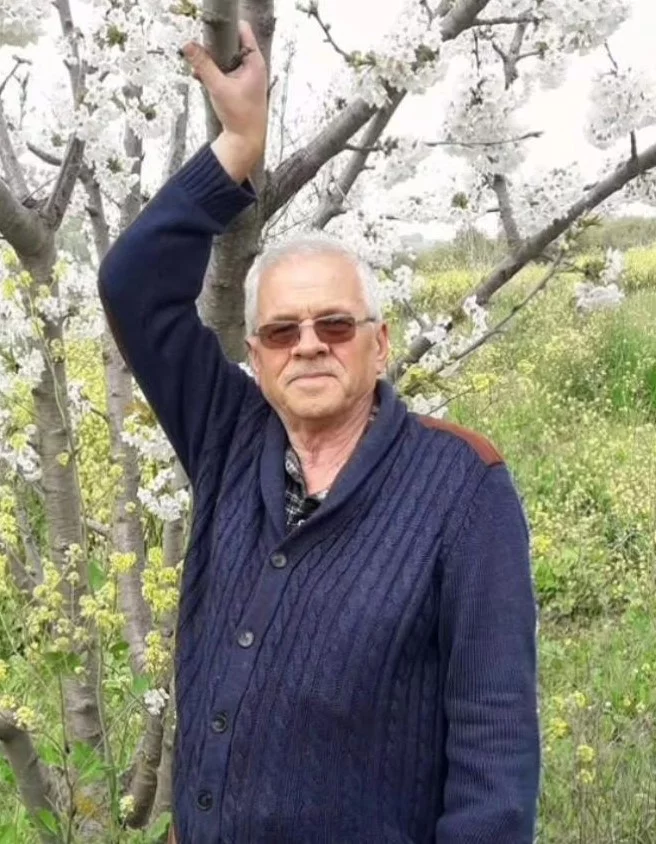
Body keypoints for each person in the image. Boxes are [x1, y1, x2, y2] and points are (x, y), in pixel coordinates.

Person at [99, 21, 540, 844]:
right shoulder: (229, 435)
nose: (307, 345)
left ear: (380, 345)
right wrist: (238, 148)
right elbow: (133, 285)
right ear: (256, 355)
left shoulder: (463, 487)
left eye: (335, 325)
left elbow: (495, 751)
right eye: (281, 331)